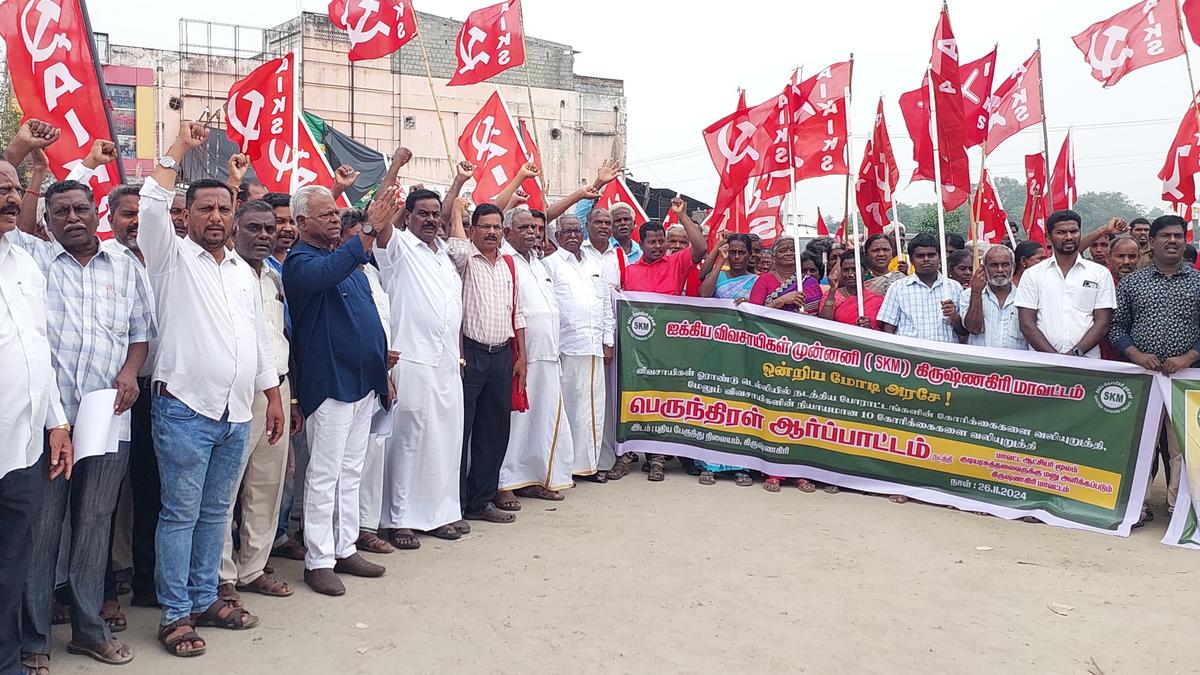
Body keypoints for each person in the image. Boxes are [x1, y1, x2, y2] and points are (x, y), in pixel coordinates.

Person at [138, 123, 284, 656]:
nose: (216, 217)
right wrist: (179, 147)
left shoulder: (243, 272)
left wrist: (271, 394)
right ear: (188, 214)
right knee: (180, 513)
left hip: (236, 413)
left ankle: (205, 599)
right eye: (205, 209)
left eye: (224, 208)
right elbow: (151, 205)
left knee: (216, 512)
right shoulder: (170, 258)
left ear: (235, 214)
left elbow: (257, 339)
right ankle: (175, 614)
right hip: (184, 409)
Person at [8, 171, 151, 668]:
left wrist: (130, 372)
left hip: (108, 418)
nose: (72, 218)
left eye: (80, 209)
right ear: (47, 222)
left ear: (97, 214)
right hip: (50, 423)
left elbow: (140, 334)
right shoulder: (32, 260)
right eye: (61, 212)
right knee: (44, 529)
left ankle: (89, 629)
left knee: (93, 526)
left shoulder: (126, 266)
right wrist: (30, 171)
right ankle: (34, 640)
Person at [283, 185, 396, 596]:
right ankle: (318, 559)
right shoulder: (300, 261)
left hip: (363, 380)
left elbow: (368, 319)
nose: (335, 219)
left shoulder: (347, 261)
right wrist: (368, 229)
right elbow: (327, 274)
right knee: (325, 473)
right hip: (330, 382)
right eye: (326, 214)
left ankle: (345, 546)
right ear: (301, 222)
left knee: (351, 471)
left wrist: (381, 371)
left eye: (336, 213)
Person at [0, 156, 74, 675]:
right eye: (1, 188)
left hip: (23, 449)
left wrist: (57, 422)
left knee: (11, 567)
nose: (11, 197)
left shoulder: (25, 262)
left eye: (13, 188)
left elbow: (37, 350)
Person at [373, 184, 466, 550]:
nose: (430, 220)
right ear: (408, 216)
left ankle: (439, 513)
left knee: (445, 442)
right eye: (422, 213)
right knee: (408, 443)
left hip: (446, 363)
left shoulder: (444, 255)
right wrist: (396, 165)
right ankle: (400, 519)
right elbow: (380, 218)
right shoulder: (398, 248)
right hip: (410, 359)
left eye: (434, 214)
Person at [217, 200, 296, 609]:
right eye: (254, 228)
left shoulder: (274, 277)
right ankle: (221, 575)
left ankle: (253, 568)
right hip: (235, 392)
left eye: (269, 228)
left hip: (276, 390)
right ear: (234, 229)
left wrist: (288, 398)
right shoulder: (221, 272)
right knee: (225, 489)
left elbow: (282, 338)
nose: (264, 235)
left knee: (266, 484)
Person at [1110, 215, 1199, 520]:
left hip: (1184, 379)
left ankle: (1178, 506)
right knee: (1140, 443)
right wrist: (1134, 353)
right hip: (1142, 378)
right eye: (1165, 236)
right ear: (1151, 242)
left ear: (1185, 241)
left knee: (1182, 448)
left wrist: (1188, 357)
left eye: (1178, 236)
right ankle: (1136, 505)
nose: (1172, 241)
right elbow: (1116, 326)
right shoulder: (1132, 283)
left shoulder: (1198, 282)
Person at [102, 183, 164, 610]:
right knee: (102, 498)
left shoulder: (167, 257)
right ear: (110, 218)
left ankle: (146, 582)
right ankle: (103, 588)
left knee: (150, 490)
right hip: (111, 395)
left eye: (143, 214)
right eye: (128, 214)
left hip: (156, 393)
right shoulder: (105, 258)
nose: (136, 222)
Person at [447, 202, 528, 522]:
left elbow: (517, 313)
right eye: (485, 226)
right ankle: (453, 504)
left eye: (496, 227)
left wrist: (521, 357)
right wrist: (457, 210)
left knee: (494, 431)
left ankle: (480, 502)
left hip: (503, 355)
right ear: (472, 230)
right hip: (471, 354)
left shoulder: (508, 264)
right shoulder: (465, 259)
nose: (492, 232)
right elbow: (455, 248)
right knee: (461, 430)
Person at [495, 207, 574, 505]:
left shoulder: (539, 264)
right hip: (521, 355)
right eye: (525, 228)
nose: (532, 233)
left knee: (543, 419)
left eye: (535, 228)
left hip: (549, 353)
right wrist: (518, 354)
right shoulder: (503, 260)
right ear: (507, 232)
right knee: (516, 421)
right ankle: (503, 483)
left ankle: (533, 478)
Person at [335, 209, 399, 557]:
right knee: (338, 466)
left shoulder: (372, 273)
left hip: (377, 378)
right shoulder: (335, 273)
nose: (366, 244)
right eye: (358, 237)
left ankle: (364, 528)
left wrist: (385, 373)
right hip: (345, 380)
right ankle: (337, 537)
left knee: (370, 458)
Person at [544, 215, 613, 484]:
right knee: (569, 408)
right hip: (566, 347)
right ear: (557, 236)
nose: (573, 235)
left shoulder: (594, 264)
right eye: (567, 231)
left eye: (576, 231)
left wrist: (608, 340)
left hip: (594, 347)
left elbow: (605, 304)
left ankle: (590, 465)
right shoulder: (550, 264)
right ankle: (566, 466)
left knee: (593, 409)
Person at [1016, 210, 1116, 359]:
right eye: (1061, 232)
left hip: (1086, 362)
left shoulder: (1100, 273)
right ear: (1049, 238)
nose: (1069, 237)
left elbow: (1102, 323)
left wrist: (1074, 354)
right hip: (1042, 363)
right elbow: (1026, 324)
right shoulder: (1033, 274)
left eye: (1074, 231)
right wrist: (1056, 359)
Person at [877, 233, 963, 343]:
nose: (926, 259)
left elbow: (964, 331)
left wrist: (954, 317)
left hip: (945, 352)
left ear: (940, 258)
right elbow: (888, 328)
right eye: (920, 256)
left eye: (931, 255)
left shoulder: (954, 287)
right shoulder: (897, 288)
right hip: (909, 352)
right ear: (911, 260)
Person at [623, 197, 706, 296]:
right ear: (641, 245)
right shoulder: (628, 271)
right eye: (652, 242)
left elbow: (701, 248)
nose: (658, 246)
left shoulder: (677, 263)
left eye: (661, 241)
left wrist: (682, 215)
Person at [957, 246, 1027, 350]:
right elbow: (973, 329)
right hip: (981, 359)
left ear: (1014, 267)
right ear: (984, 268)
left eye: (1005, 265)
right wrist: (976, 292)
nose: (1000, 270)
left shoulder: (1025, 296)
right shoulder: (969, 294)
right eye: (994, 265)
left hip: (1015, 360)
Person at [749, 237, 821, 313]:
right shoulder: (764, 279)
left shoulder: (808, 281)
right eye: (783, 250)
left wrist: (803, 317)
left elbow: (818, 313)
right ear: (773, 256)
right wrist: (779, 301)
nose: (789, 253)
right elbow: (753, 312)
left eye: (793, 250)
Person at [819, 250, 883, 329]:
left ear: (866, 271)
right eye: (845, 270)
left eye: (854, 269)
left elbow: (884, 329)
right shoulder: (832, 295)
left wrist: (870, 326)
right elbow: (824, 323)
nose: (850, 274)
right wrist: (832, 291)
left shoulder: (876, 299)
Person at [700, 233, 757, 300]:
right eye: (732, 252)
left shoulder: (756, 281)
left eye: (741, 253)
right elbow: (704, 295)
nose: (737, 257)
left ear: (750, 255)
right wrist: (721, 259)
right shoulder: (717, 276)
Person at [263, 192, 296, 277]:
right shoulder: (255, 262)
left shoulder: (299, 260)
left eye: (293, 222)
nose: (288, 228)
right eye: (280, 221)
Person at [667, 223, 703, 296]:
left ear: (689, 245)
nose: (678, 246)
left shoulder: (701, 268)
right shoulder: (656, 265)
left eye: (683, 242)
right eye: (673, 241)